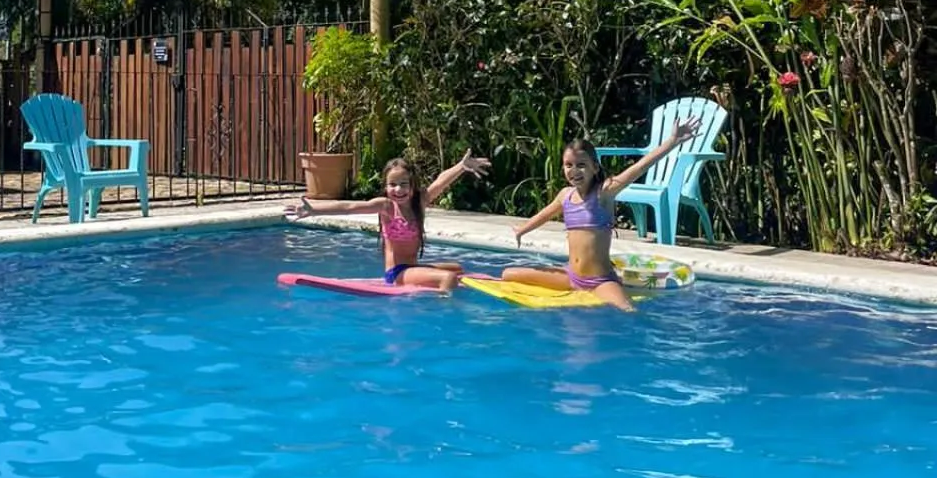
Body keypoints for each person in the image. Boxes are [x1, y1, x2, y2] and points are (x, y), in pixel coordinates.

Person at [505, 120, 700, 312]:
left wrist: (672, 141)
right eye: (568, 165)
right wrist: (522, 230)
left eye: (581, 165)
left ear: (595, 168)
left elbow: (639, 168)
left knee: (627, 311)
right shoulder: (565, 195)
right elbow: (545, 214)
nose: (574, 171)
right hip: (571, 277)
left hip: (600, 281)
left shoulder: (604, 193)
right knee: (508, 274)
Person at [286, 149, 491, 292]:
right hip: (397, 274)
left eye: (404, 184)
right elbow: (349, 207)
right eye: (393, 184)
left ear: (412, 185)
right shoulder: (386, 207)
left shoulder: (418, 203)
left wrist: (462, 166)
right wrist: (313, 210)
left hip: (413, 267)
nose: (398, 190)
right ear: (385, 186)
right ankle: (444, 314)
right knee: (448, 279)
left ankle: (437, 284)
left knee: (456, 268)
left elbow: (441, 181)